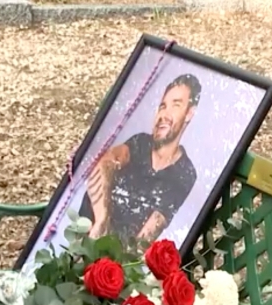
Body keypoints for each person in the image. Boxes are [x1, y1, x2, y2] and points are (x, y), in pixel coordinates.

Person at [79, 73, 201, 241]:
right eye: (162, 106)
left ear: (189, 113)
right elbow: (104, 162)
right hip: (81, 237)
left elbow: (146, 237)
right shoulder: (140, 143)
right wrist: (102, 220)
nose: (164, 114)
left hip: (114, 258)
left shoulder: (184, 172)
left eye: (176, 105)